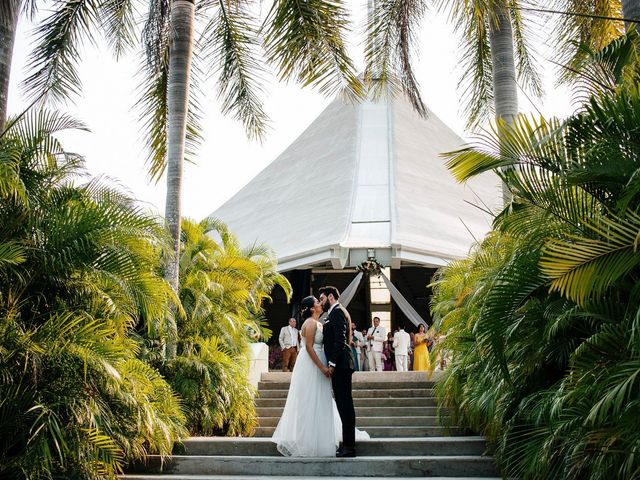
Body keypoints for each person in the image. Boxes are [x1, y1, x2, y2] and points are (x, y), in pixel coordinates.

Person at [319, 285, 358, 457]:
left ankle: (349, 447)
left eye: (322, 299)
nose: (321, 302)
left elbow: (340, 340)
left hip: (341, 366)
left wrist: (332, 364)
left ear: (330, 297)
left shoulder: (338, 312)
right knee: (343, 405)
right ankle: (346, 445)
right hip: (340, 365)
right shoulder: (334, 313)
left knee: (345, 405)